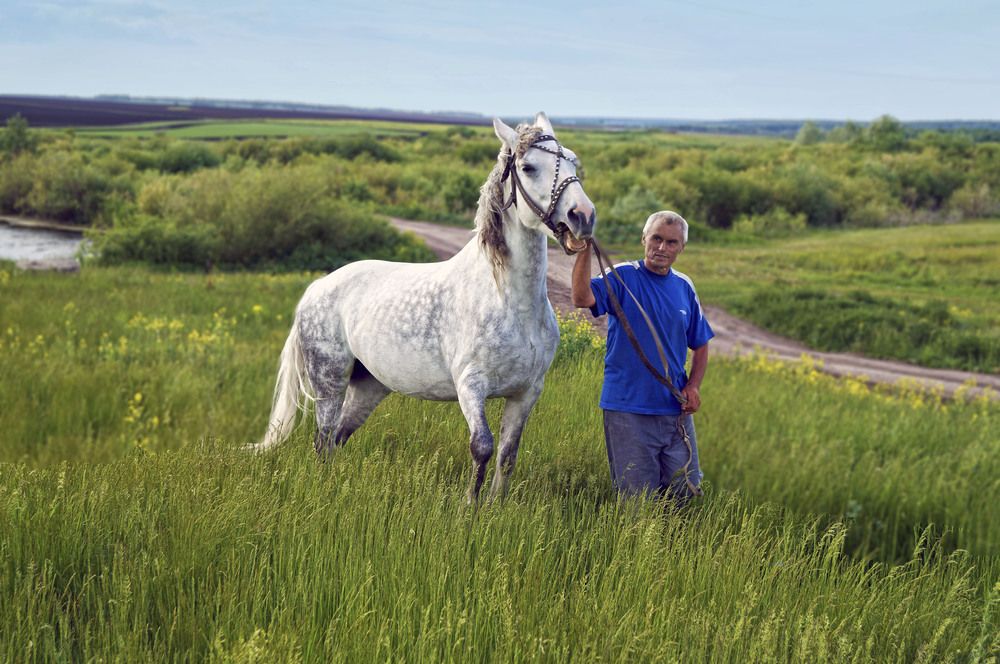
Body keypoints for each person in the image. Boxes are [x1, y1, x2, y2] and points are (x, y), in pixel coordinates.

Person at [571, 210, 714, 504]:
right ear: (644, 239)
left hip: (675, 410)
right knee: (636, 501)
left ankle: (676, 536)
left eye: (671, 242)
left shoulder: (684, 286)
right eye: (656, 239)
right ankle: (637, 536)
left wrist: (694, 386)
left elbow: (700, 344)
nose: (662, 247)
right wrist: (584, 250)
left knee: (685, 492)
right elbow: (581, 298)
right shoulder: (622, 276)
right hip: (628, 409)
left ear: (682, 247)